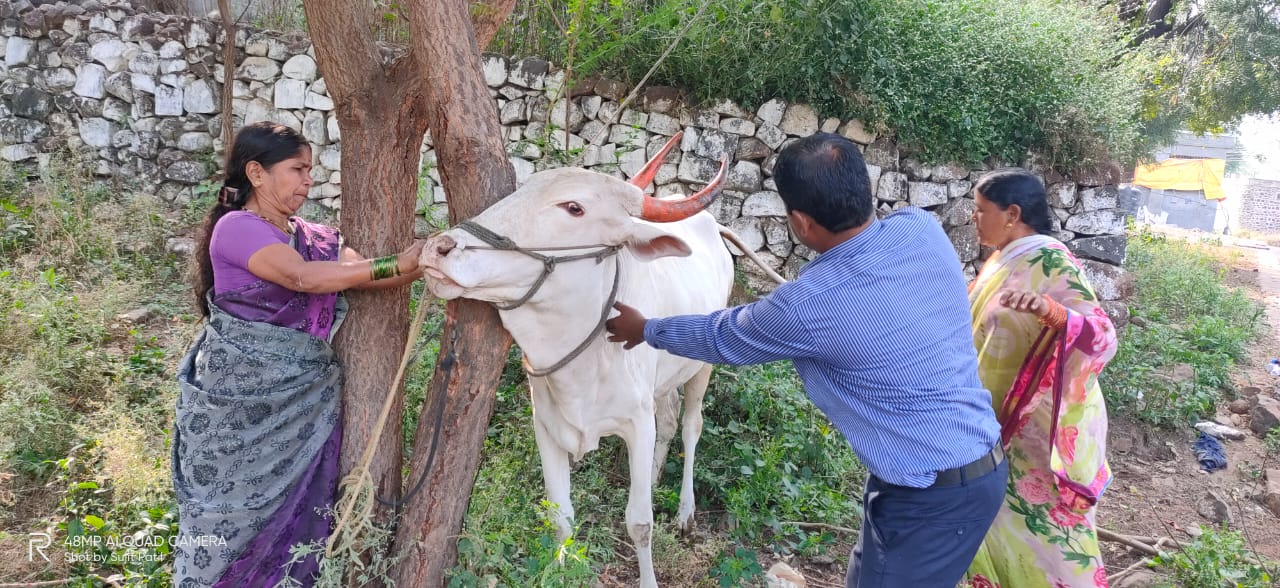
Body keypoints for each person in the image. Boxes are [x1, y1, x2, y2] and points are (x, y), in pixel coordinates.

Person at [605, 132, 1008, 587]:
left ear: (799, 222)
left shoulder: (810, 305)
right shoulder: (920, 228)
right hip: (969, 464)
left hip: (930, 496)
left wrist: (646, 329)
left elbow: (722, 336)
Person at [173, 121, 423, 587]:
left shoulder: (314, 237)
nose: (308, 180)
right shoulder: (236, 228)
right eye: (297, 169)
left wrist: (422, 263)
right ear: (257, 173)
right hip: (237, 416)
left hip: (301, 411)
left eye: (310, 170)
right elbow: (304, 279)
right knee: (227, 521)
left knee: (296, 519)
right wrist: (398, 263)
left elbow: (358, 274)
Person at [964, 169, 1117, 588]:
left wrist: (1052, 312)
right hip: (991, 425)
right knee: (997, 529)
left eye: (981, 211)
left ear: (1012, 213)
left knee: (1050, 538)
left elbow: (1102, 337)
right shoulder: (1002, 258)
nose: (974, 219)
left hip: (1033, 434)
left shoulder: (1051, 260)